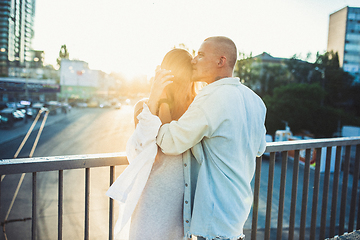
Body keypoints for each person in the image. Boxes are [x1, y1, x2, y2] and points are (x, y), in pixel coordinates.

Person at [147, 36, 267, 240]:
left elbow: (170, 142)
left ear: (221, 61)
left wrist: (160, 102)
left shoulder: (212, 97)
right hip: (237, 212)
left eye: (201, 55)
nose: (194, 60)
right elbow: (260, 148)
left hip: (215, 217)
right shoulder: (255, 100)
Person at [107, 48, 197, 240]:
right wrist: (157, 97)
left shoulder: (196, 108)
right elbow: (140, 149)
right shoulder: (146, 107)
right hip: (152, 201)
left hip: (184, 204)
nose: (185, 84)